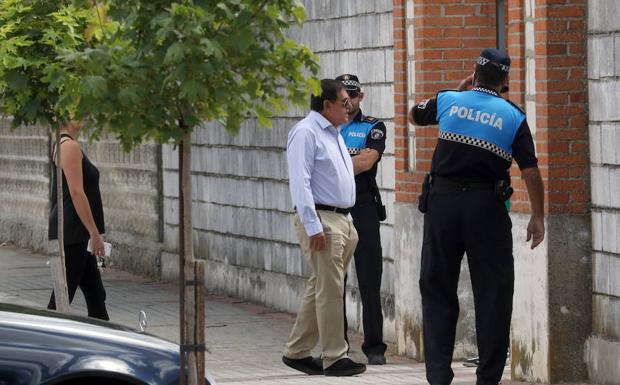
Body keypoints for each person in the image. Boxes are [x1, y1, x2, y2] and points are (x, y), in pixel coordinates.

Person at [408, 48, 545, 385]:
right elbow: (530, 172)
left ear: (474, 73)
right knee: (494, 292)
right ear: (505, 81)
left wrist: (459, 90)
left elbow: (413, 115)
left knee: (437, 286)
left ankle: (439, 376)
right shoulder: (513, 116)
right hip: (486, 207)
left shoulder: (450, 100)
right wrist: (538, 216)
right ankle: (488, 378)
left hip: (442, 204)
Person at [282, 79, 366, 377]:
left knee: (320, 285)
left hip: (342, 220)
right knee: (330, 289)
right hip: (321, 221)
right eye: (344, 101)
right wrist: (312, 225)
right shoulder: (306, 132)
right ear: (327, 104)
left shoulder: (335, 133)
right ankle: (334, 357)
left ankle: (296, 350)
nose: (350, 106)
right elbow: (300, 182)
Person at [335, 74, 388, 365]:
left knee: (369, 278)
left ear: (361, 96)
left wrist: (332, 166)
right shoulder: (328, 127)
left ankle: (374, 347)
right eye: (344, 97)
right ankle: (337, 347)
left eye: (353, 96)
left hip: (363, 205)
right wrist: (348, 164)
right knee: (334, 282)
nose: (349, 102)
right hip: (334, 207)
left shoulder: (373, 126)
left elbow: (368, 160)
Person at [48, 120, 109, 321]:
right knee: (61, 299)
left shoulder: (61, 143)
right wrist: (94, 233)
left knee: (96, 295)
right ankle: (43, 338)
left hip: (74, 231)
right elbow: (76, 193)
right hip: (74, 231)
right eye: (79, 112)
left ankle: (103, 341)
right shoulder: (69, 146)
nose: (85, 117)